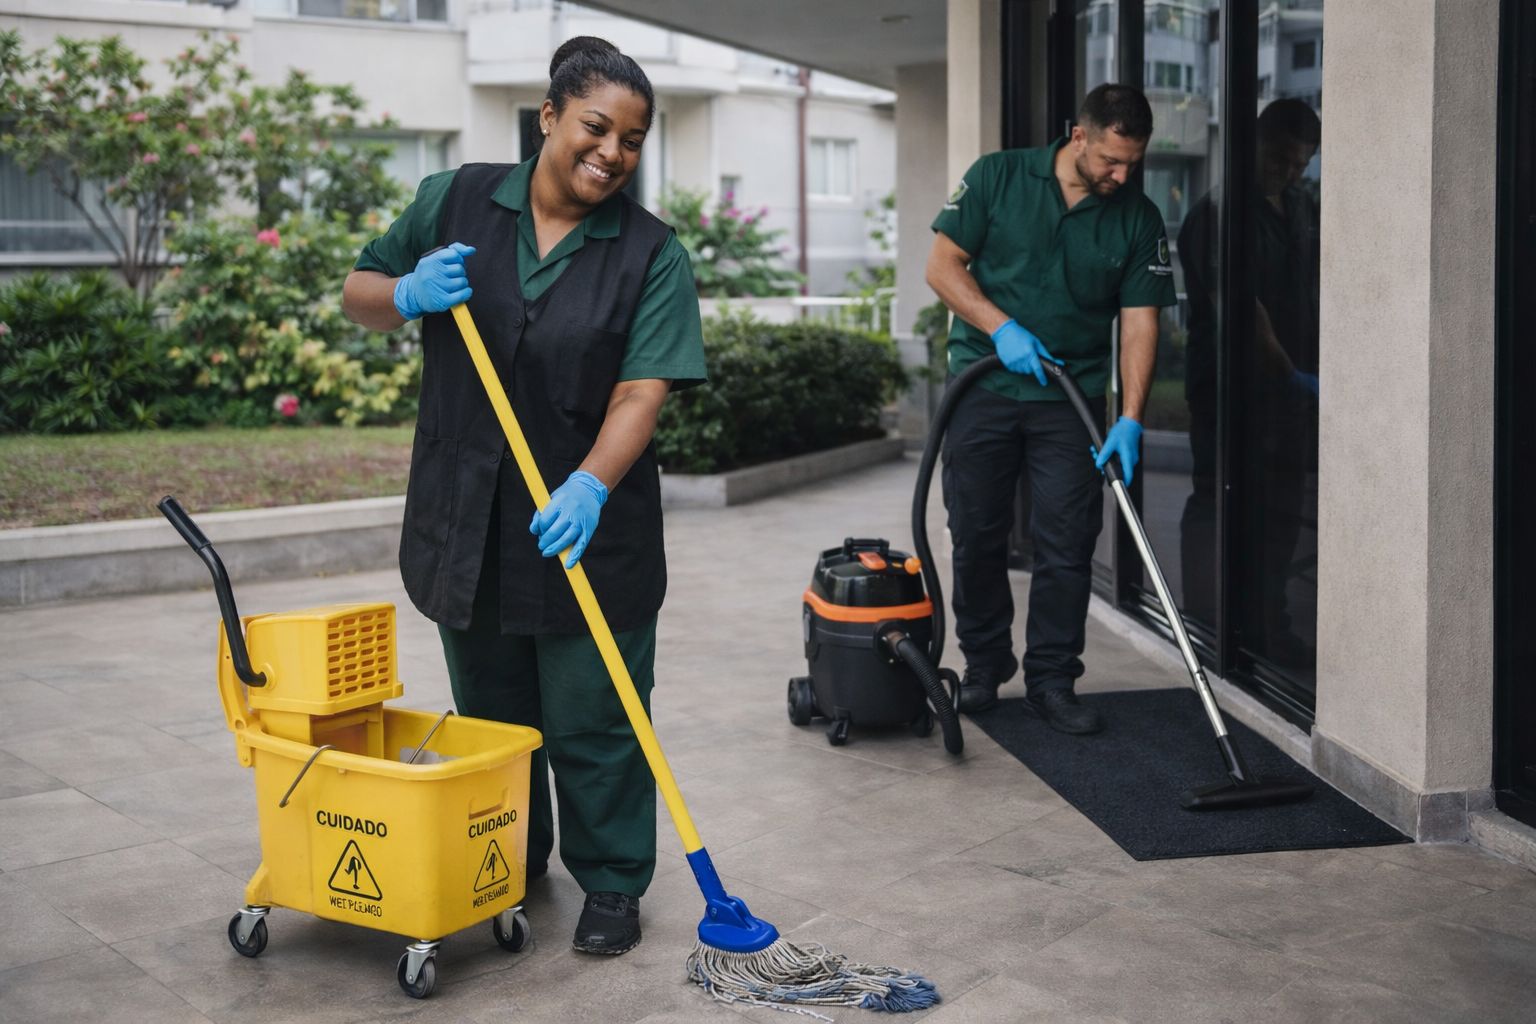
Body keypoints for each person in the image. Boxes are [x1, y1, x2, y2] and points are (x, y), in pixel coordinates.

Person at [341, 36, 706, 956]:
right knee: (496, 719)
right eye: (596, 127)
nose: (611, 153)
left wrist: (589, 483)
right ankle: (509, 861)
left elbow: (641, 391)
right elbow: (358, 291)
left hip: (586, 528)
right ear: (549, 116)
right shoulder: (455, 199)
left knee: (596, 716)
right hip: (467, 519)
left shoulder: (651, 253)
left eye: (632, 139)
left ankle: (613, 881)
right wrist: (407, 293)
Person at [924, 84, 1178, 733]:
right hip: (981, 387)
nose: (1121, 176)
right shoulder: (997, 177)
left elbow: (1141, 322)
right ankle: (984, 666)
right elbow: (943, 266)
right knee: (975, 533)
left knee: (1067, 543)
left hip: (1070, 399)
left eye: (1133, 164)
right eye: (1111, 161)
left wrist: (1131, 417)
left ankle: (1052, 679)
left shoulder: (1137, 217)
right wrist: (1001, 328)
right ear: (1078, 137)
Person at [1178, 98, 1321, 669]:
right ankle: (1206, 625)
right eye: (1280, 158)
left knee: (1282, 509)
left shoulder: (1302, 205)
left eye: (1301, 164)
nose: (1289, 172)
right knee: (1220, 500)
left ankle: (1268, 625)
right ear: (1255, 144)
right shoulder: (1216, 216)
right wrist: (1292, 375)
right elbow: (1242, 309)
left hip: (1290, 394)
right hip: (1230, 390)